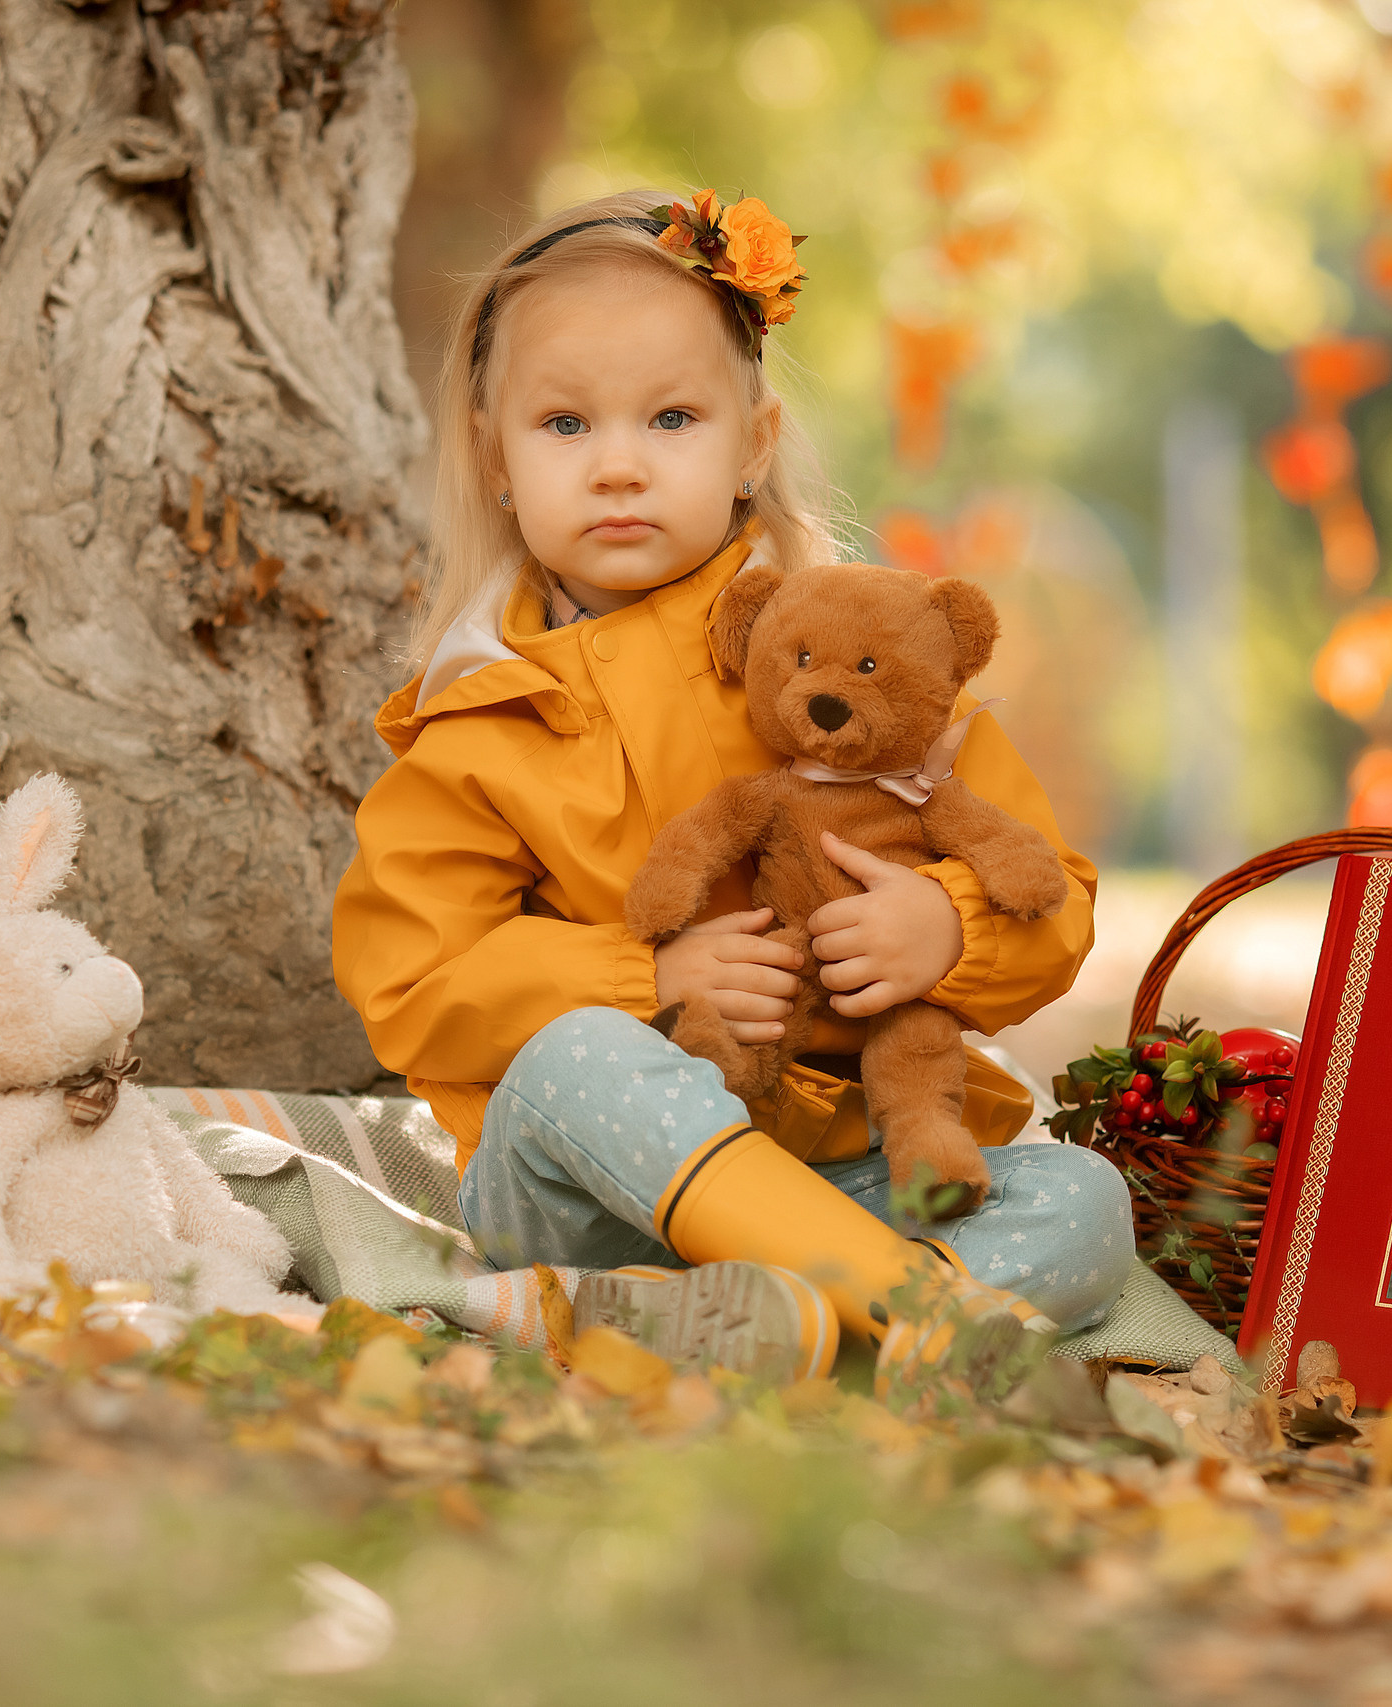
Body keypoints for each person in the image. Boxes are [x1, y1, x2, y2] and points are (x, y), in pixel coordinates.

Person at [330, 188, 1130, 1381]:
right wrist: (639, 976)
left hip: (838, 1157)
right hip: (588, 1189)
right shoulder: (477, 719)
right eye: (562, 425)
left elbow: (1048, 893)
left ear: (750, 445)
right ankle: (913, 1312)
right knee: (575, 1058)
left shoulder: (856, 647)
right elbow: (415, 981)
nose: (615, 467)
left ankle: (745, 1320)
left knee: (1078, 1195)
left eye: (669, 419)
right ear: (494, 458)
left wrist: (943, 930)